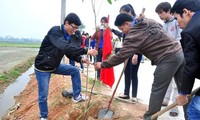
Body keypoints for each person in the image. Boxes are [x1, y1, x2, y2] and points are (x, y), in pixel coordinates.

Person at [94, 13, 185, 120]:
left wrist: (103, 64)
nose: (123, 32)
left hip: (167, 58)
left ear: (127, 23)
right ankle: (191, 116)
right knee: (184, 90)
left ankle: (149, 117)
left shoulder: (132, 36)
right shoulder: (148, 21)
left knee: (158, 89)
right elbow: (158, 28)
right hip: (179, 53)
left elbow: (120, 56)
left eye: (122, 29)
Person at [34, 13, 97, 120]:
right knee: (43, 96)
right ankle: (43, 116)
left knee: (75, 71)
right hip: (43, 68)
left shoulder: (67, 36)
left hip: (54, 65)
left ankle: (77, 96)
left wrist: (80, 59)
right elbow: (65, 47)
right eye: (74, 27)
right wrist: (86, 50)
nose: (75, 30)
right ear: (66, 23)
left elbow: (69, 53)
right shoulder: (55, 32)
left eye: (77, 28)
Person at [171, 0, 200, 119]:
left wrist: (183, 93)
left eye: (177, 18)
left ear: (186, 12)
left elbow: (191, 65)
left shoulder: (191, 31)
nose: (177, 23)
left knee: (194, 111)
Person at [155, 2, 182, 117]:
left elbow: (180, 37)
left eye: (161, 13)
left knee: (177, 80)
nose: (159, 16)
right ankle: (165, 99)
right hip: (166, 54)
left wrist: (173, 47)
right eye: (158, 14)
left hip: (177, 53)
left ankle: (175, 105)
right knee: (168, 78)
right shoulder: (164, 24)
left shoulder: (176, 22)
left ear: (168, 11)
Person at [116, 4, 142, 103]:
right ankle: (126, 93)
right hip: (127, 51)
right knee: (126, 72)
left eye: (122, 13)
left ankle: (134, 95)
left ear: (129, 12)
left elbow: (138, 40)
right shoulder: (126, 24)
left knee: (133, 73)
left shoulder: (136, 22)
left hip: (136, 52)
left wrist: (135, 54)